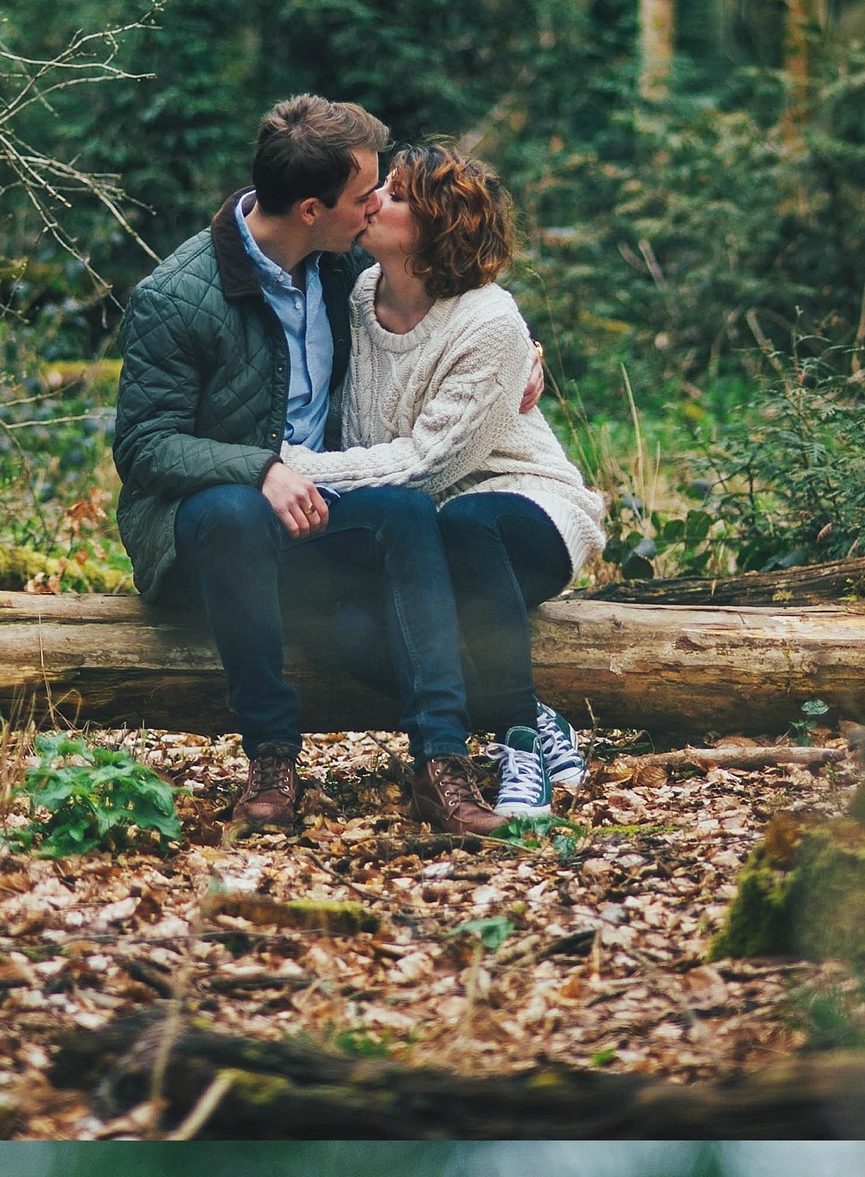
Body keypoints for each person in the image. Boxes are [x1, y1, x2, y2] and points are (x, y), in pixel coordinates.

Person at [114, 95, 528, 841]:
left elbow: (454, 303)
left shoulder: (341, 275)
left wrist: (524, 355)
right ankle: (272, 756)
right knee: (235, 511)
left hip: (316, 518)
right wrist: (260, 467)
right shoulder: (175, 298)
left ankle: (440, 762)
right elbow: (142, 446)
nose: (376, 203)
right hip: (202, 533)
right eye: (365, 192)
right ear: (312, 208)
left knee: (405, 512)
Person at [276, 141, 606, 826]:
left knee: (465, 519)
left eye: (393, 196)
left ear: (435, 229)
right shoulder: (357, 294)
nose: (372, 201)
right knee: (359, 631)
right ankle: (535, 713)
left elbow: (428, 465)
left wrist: (284, 466)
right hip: (417, 529)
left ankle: (517, 738)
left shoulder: (488, 321)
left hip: (521, 509)